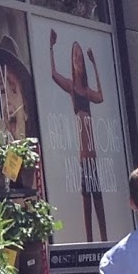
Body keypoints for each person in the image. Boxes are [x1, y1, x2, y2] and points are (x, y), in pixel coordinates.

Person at [48, 30, 107, 240]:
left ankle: (104, 237)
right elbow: (54, 74)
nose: (78, 60)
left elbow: (101, 96)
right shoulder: (73, 88)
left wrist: (94, 63)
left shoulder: (87, 91)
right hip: (83, 154)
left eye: (80, 57)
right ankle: (90, 240)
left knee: (97, 195)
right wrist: (51, 46)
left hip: (93, 153)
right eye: (76, 57)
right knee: (86, 197)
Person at [0, 46, 37, 143]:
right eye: (2, 91)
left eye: (14, 90)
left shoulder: (40, 150)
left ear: (25, 108)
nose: (8, 101)